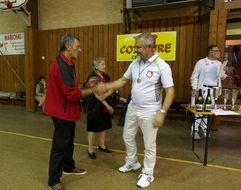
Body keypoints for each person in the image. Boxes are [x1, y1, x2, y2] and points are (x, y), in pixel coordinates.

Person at [100, 32, 175, 188]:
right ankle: (132, 162)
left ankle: (148, 173)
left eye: (138, 47)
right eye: (135, 46)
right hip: (133, 107)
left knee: (149, 144)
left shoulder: (162, 66)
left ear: (149, 47)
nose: (135, 50)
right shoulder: (135, 63)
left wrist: (162, 113)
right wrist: (107, 86)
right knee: (127, 136)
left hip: (151, 111)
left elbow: (170, 92)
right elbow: (123, 80)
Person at [44, 34, 101, 190]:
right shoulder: (61, 66)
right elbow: (72, 94)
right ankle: (53, 180)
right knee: (60, 145)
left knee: (68, 141)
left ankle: (68, 166)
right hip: (61, 111)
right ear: (68, 47)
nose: (80, 50)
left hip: (66, 110)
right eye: (77, 47)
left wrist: (85, 84)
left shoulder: (67, 62)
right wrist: (93, 89)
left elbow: (71, 87)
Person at [190, 45, 228, 140]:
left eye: (219, 51)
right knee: (199, 111)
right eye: (216, 51)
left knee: (209, 110)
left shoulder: (219, 64)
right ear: (210, 52)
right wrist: (195, 89)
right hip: (202, 89)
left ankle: (204, 128)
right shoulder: (201, 62)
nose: (219, 52)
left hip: (214, 90)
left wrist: (225, 71)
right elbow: (194, 76)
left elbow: (222, 77)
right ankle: (194, 130)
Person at [85, 57, 115, 160]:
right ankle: (90, 149)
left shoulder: (106, 77)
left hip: (104, 102)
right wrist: (107, 105)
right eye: (102, 64)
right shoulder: (92, 78)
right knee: (92, 127)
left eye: (104, 64)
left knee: (104, 125)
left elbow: (112, 88)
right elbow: (97, 95)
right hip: (94, 105)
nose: (105, 66)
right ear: (96, 66)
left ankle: (102, 145)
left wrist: (105, 96)